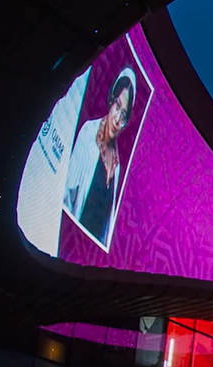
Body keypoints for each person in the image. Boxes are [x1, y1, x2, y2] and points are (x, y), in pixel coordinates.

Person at [63, 68, 136, 243]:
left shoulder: (117, 167)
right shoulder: (89, 133)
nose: (117, 119)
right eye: (117, 106)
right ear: (111, 101)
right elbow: (66, 195)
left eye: (124, 115)